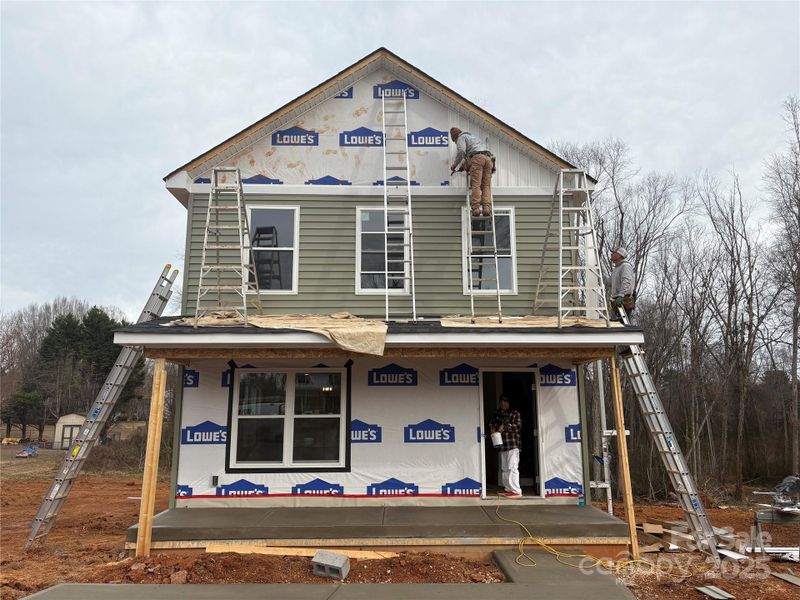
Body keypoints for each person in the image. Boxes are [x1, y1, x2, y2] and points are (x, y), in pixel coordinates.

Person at [449, 127, 494, 218]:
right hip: (488, 159)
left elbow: (462, 151)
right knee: (485, 185)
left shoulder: (461, 138)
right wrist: (465, 165)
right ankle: (486, 209)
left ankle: (476, 209)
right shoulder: (473, 137)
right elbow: (474, 153)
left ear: (455, 137)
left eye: (454, 141)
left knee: (476, 184)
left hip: (477, 159)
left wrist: (455, 165)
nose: (455, 143)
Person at [489, 394, 522, 497]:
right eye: (501, 401)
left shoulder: (514, 412)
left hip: (512, 444)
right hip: (501, 444)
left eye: (505, 401)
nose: (503, 403)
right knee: (504, 468)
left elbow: (518, 426)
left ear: (509, 403)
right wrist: (493, 429)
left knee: (512, 467)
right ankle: (508, 489)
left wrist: (506, 426)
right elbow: (491, 423)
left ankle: (516, 491)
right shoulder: (497, 413)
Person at [609, 246, 635, 317]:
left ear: (619, 255)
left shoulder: (625, 266)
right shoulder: (616, 268)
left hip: (623, 300)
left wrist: (621, 295)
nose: (611, 254)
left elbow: (626, 281)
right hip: (616, 300)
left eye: (613, 253)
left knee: (624, 324)